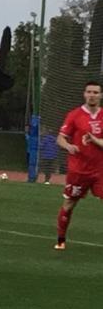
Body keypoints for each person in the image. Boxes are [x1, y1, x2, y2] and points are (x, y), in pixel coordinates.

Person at [54, 80, 103, 251]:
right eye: (89, 92)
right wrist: (68, 146)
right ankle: (61, 240)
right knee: (69, 203)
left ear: (101, 95)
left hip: (100, 169)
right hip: (79, 170)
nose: (92, 95)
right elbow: (60, 138)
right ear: (84, 94)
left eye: (95, 92)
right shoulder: (74, 115)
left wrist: (94, 139)